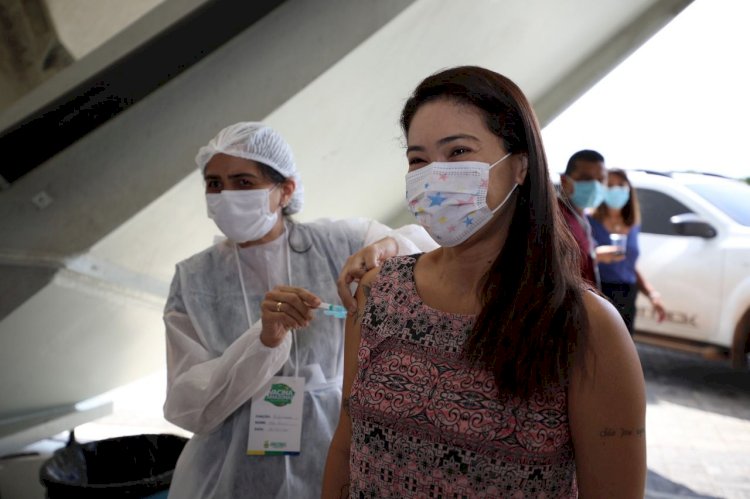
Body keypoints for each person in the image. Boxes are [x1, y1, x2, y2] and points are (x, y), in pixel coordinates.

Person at [322, 66, 646, 498]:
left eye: (458, 151)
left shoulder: (586, 326)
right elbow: (346, 446)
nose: (435, 175)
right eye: (418, 159)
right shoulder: (379, 294)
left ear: (519, 166)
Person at [162, 122, 436, 498]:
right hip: (227, 469)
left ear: (285, 190)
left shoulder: (337, 242)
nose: (226, 194)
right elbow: (187, 405)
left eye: (243, 182)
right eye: (214, 184)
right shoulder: (194, 278)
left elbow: (430, 252)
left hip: (330, 447)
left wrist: (386, 248)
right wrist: (264, 341)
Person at [589, 168, 666, 334]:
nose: (615, 189)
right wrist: (598, 255)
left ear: (629, 189)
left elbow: (629, 265)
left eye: (620, 185)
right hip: (599, 292)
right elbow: (577, 258)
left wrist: (652, 294)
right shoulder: (589, 221)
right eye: (609, 185)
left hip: (627, 295)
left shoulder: (633, 224)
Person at [558, 149, 620, 288]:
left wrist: (595, 256)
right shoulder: (557, 219)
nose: (595, 186)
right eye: (586, 179)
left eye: (600, 180)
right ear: (564, 181)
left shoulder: (580, 216)